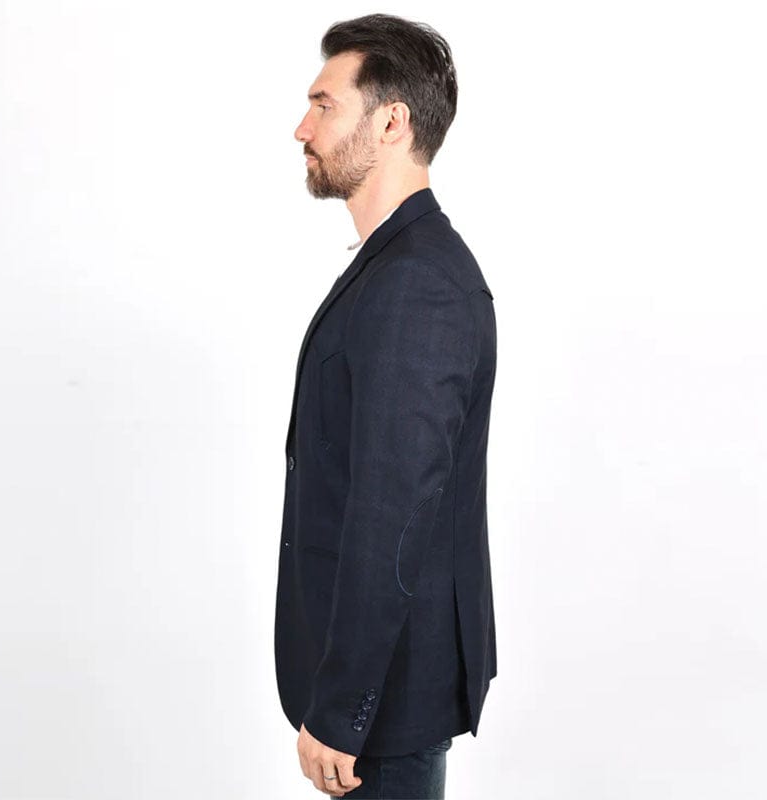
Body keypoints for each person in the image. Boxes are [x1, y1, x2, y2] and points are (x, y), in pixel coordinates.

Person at [274, 13, 498, 799]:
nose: (302, 128)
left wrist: (343, 710)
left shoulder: (417, 284)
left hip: (385, 706)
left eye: (323, 104)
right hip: (377, 696)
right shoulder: (394, 266)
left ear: (391, 122)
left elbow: (393, 513)